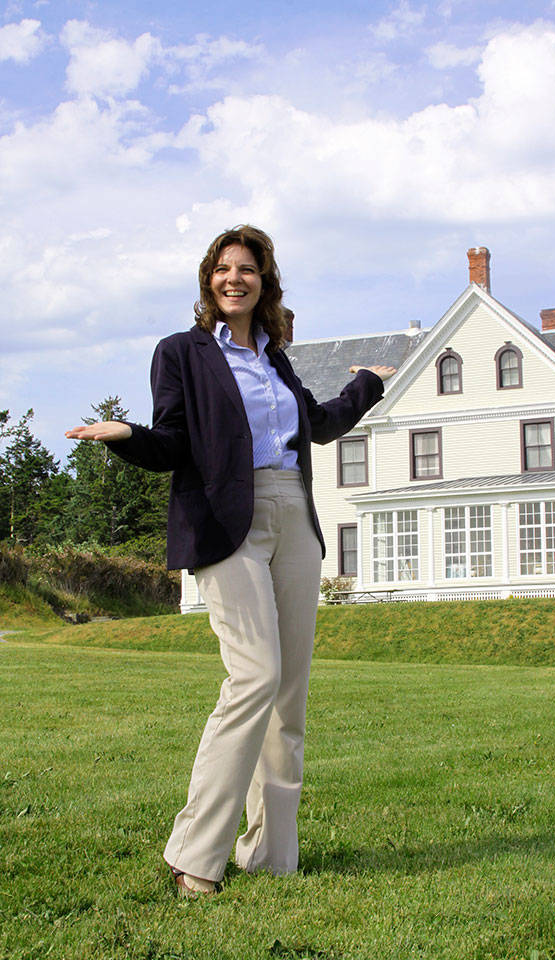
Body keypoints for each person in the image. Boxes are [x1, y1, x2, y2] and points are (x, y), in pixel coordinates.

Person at [65, 225, 396, 898]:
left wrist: (365, 384)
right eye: (222, 269)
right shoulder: (181, 353)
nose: (233, 278)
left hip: (292, 520)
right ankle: (194, 854)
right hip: (225, 520)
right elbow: (176, 443)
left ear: (264, 282)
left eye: (246, 268)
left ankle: (272, 856)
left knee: (288, 696)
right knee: (255, 676)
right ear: (208, 281)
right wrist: (127, 436)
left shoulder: (277, 361)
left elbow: (320, 425)